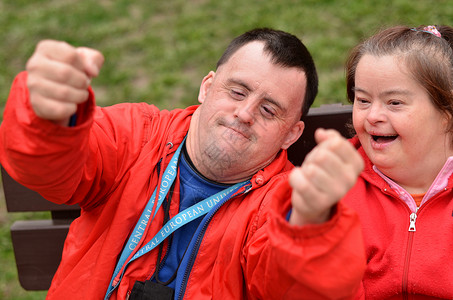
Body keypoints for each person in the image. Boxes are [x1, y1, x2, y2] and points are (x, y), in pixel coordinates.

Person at [0, 28, 365, 299]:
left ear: (291, 134)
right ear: (207, 87)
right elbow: (47, 169)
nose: (244, 113)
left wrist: (310, 226)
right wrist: (47, 118)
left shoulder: (283, 203)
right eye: (236, 91)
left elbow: (298, 290)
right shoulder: (135, 135)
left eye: (269, 110)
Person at [343, 25, 453, 299]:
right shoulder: (337, 181)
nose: (373, 116)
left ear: (446, 113)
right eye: (363, 100)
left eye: (394, 103)